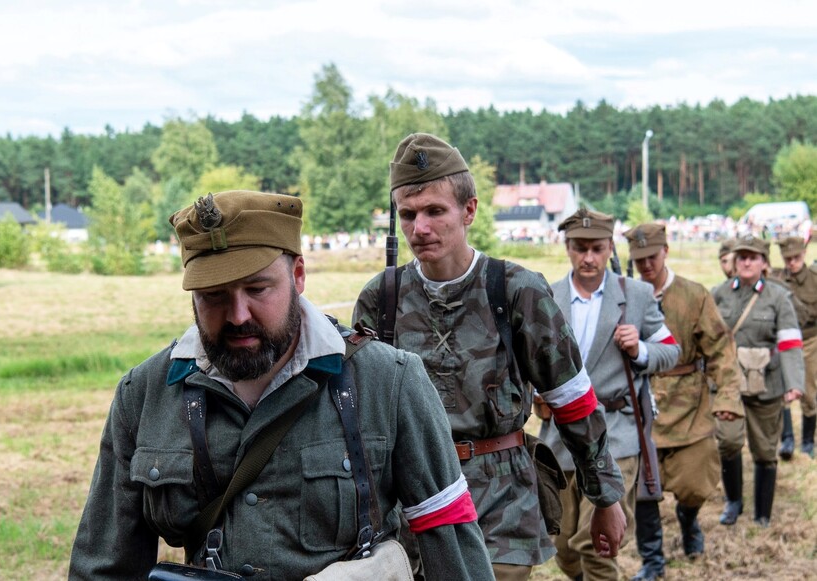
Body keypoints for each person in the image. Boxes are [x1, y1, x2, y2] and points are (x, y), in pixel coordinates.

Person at [69, 190, 495, 580]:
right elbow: (106, 566)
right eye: (214, 296)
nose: (237, 315)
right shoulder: (144, 395)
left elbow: (453, 546)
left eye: (257, 288)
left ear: (298, 274)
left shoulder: (391, 382)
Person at [352, 133, 626, 581]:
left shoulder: (518, 290)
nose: (420, 227)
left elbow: (572, 400)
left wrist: (606, 497)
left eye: (435, 211)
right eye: (408, 214)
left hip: (502, 502)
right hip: (411, 502)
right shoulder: (380, 299)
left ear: (469, 210)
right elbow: (361, 418)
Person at [539, 209, 680, 581]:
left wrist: (640, 350)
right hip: (561, 437)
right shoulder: (545, 296)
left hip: (616, 432)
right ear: (567, 247)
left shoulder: (635, 294)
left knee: (596, 546)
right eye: (580, 248)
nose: (589, 258)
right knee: (564, 547)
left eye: (597, 249)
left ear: (609, 248)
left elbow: (671, 350)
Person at [623, 224, 745, 581]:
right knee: (643, 489)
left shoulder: (694, 295)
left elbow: (721, 350)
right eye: (639, 259)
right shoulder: (624, 294)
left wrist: (727, 397)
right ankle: (653, 560)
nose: (646, 265)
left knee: (694, 483)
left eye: (652, 257)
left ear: (666, 252)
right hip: (639, 405)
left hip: (689, 404)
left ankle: (689, 520)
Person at [712, 234, 805, 527]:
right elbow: (709, 339)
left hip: (766, 384)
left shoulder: (778, 297)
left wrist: (794, 383)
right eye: (742, 257)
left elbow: (789, 343)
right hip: (729, 384)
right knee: (727, 442)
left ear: (764, 262)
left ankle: (762, 513)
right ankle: (733, 502)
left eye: (753, 257)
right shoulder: (720, 294)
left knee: (765, 451)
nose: (747, 262)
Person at [773, 236, 817, 459]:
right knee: (782, 391)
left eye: (796, 258)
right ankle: (787, 438)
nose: (792, 262)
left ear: (804, 254)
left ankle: (808, 441)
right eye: (788, 258)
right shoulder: (777, 278)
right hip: (785, 343)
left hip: (810, 342)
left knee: (809, 393)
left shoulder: (814, 279)